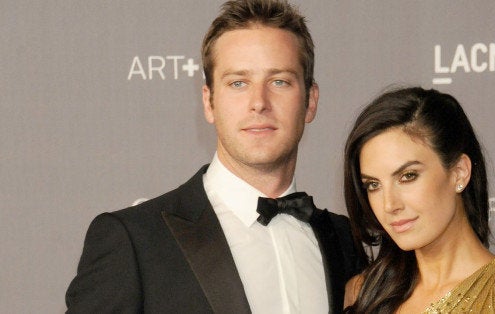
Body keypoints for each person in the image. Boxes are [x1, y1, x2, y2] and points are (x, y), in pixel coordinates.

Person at [65, 0, 366, 313]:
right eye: (238, 83)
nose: (259, 102)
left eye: (279, 81)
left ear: (310, 101)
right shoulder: (135, 241)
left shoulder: (344, 240)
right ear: (209, 101)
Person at [342, 87, 495, 313]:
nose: (389, 205)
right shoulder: (365, 293)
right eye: (373, 185)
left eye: (408, 176)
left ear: (459, 172)